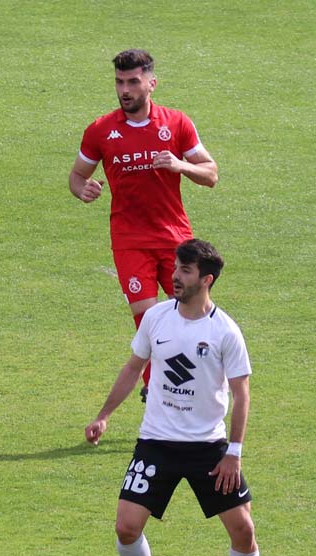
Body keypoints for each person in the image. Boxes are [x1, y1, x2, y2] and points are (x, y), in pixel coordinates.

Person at [84, 238, 277, 556]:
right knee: (126, 526)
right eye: (175, 267)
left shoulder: (225, 331)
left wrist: (234, 453)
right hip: (157, 442)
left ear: (206, 279)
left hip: (209, 448)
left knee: (243, 529)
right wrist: (104, 416)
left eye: (185, 271)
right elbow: (134, 367)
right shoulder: (156, 318)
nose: (174, 276)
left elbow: (242, 394)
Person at [70, 49, 219, 400]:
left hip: (174, 238)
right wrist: (83, 190)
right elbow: (77, 175)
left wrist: (181, 166)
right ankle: (155, 387)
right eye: (120, 82)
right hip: (129, 239)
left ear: (151, 83)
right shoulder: (100, 130)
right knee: (148, 319)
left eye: (133, 82)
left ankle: (191, 383)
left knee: (190, 314)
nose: (125, 90)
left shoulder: (177, 123)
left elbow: (211, 174)